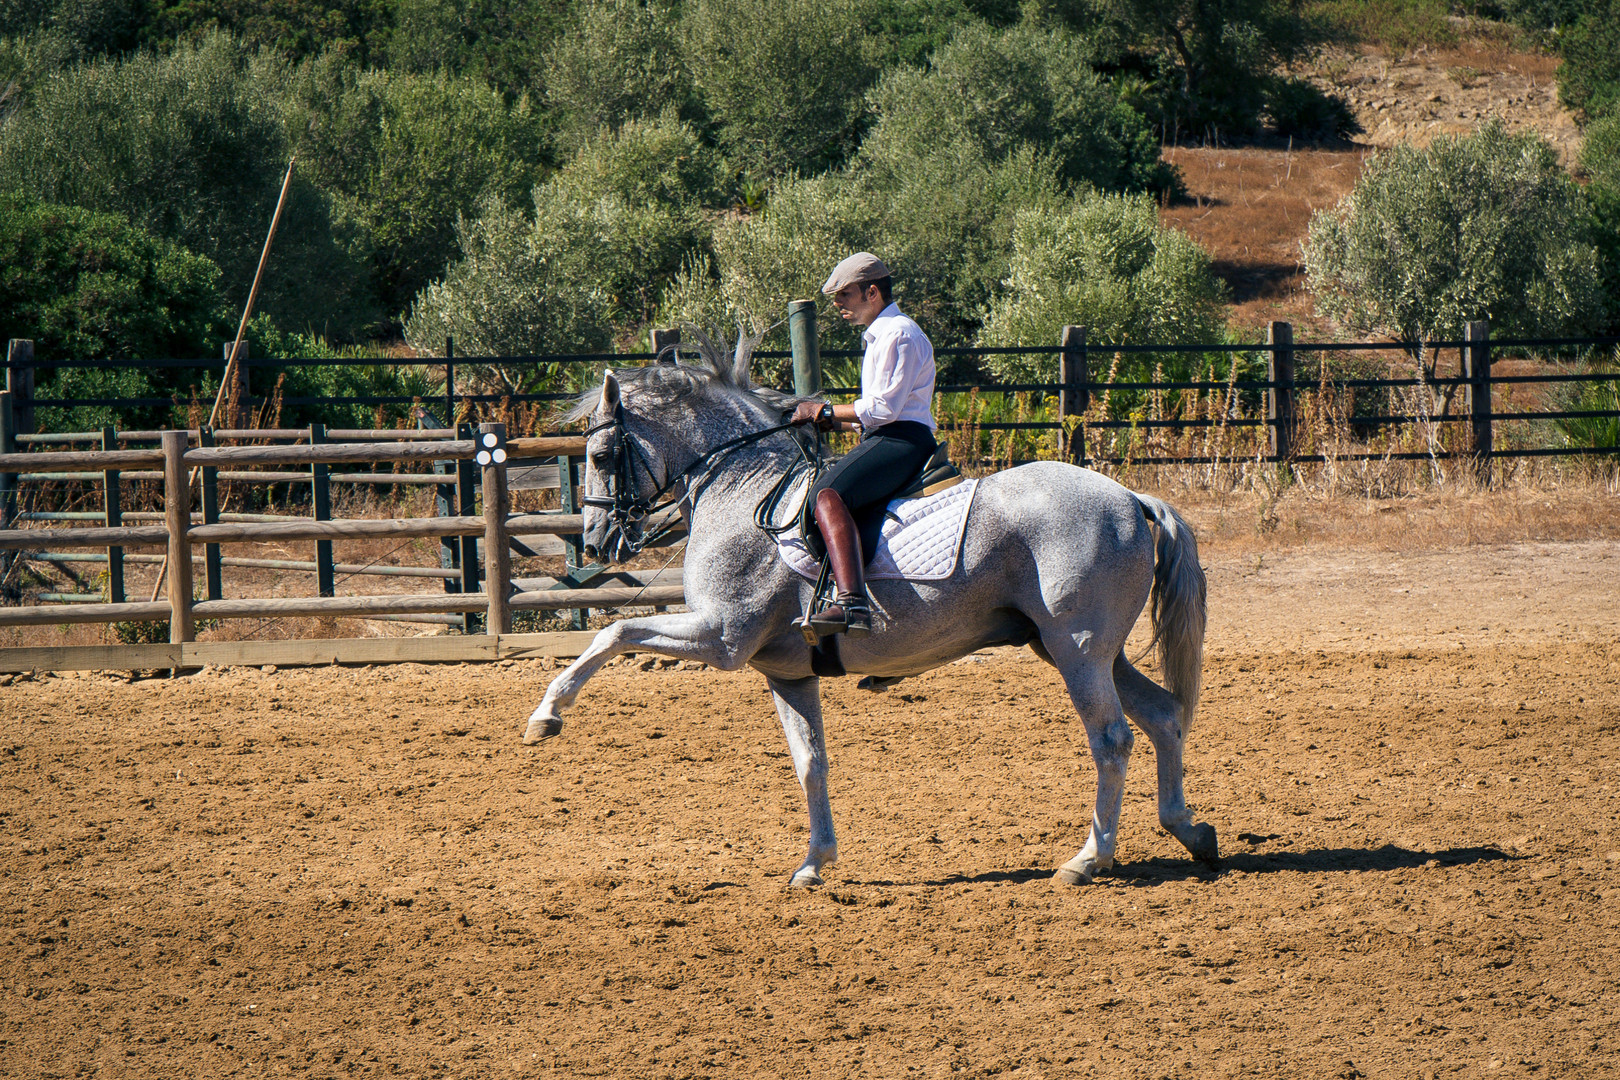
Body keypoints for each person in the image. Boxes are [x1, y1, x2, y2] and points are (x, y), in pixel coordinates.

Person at [790, 252, 937, 639]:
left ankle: (853, 604)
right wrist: (823, 419)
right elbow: (876, 412)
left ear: (871, 292)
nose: (838, 304)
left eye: (845, 295)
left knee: (827, 493)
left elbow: (884, 409)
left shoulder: (898, 333)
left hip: (901, 439)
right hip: (889, 435)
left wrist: (823, 409)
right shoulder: (881, 335)